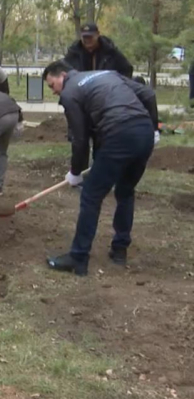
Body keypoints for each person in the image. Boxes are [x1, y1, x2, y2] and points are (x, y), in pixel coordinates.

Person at [41, 61, 159, 276]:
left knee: (91, 195)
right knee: (125, 190)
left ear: (63, 75)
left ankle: (78, 258)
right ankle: (120, 250)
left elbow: (80, 139)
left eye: (52, 85)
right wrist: (154, 128)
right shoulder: (108, 73)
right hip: (143, 132)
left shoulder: (70, 93)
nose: (54, 91)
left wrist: (76, 173)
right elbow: (148, 95)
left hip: (119, 133)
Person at [63, 22, 134, 78]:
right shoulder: (74, 53)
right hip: (80, 92)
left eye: (90, 37)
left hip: (106, 92)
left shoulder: (110, 52)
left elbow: (127, 69)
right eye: (85, 37)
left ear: (97, 34)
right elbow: (63, 72)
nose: (87, 40)